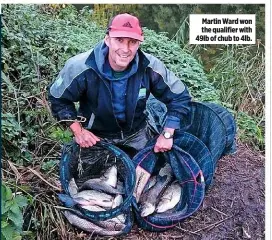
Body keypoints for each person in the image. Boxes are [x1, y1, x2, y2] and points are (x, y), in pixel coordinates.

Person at [48, 13, 192, 155]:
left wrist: (167, 134)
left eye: (132, 42)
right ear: (107, 39)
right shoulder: (80, 67)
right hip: (96, 137)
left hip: (137, 133)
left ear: (139, 43)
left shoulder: (150, 67)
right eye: (119, 40)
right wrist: (78, 131)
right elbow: (58, 99)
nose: (125, 49)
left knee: (152, 170)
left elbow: (180, 97)